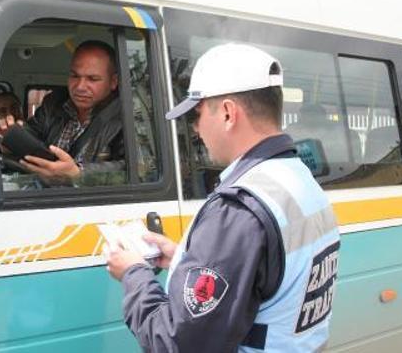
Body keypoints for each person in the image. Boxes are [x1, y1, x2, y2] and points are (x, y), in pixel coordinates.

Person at [105, 43, 341, 352]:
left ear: (228, 113)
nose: (195, 129)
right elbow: (265, 277)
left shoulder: (239, 208)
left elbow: (177, 342)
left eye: (198, 114)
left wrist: (134, 274)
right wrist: (182, 259)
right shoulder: (297, 178)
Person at [0, 40, 124, 185]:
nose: (80, 87)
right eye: (75, 76)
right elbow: (33, 137)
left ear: (113, 81)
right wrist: (10, 142)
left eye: (92, 79)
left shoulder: (127, 118)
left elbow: (138, 171)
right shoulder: (53, 103)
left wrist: (79, 174)